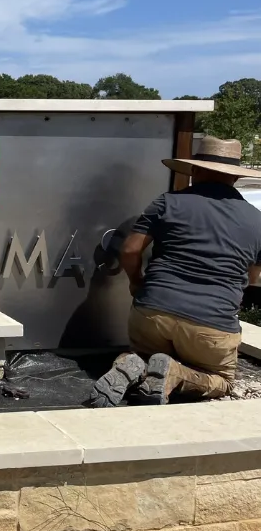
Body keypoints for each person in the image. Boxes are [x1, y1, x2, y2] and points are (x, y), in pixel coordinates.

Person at [87, 136, 261, 408]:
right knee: (223, 380)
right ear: (236, 177)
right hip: (211, 326)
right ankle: (175, 374)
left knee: (143, 355)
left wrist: (136, 282)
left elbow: (130, 250)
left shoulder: (168, 202)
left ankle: (133, 363)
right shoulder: (257, 220)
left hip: (153, 312)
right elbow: (252, 278)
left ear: (194, 170)